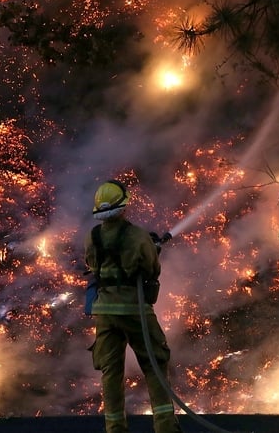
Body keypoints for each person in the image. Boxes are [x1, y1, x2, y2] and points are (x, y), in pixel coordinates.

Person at [85, 180, 182, 433]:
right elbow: (152, 269)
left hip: (104, 311)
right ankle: (165, 428)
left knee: (111, 370)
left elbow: (93, 267)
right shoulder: (137, 235)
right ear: (123, 206)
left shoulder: (92, 237)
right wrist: (153, 249)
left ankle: (115, 428)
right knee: (154, 364)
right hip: (134, 309)